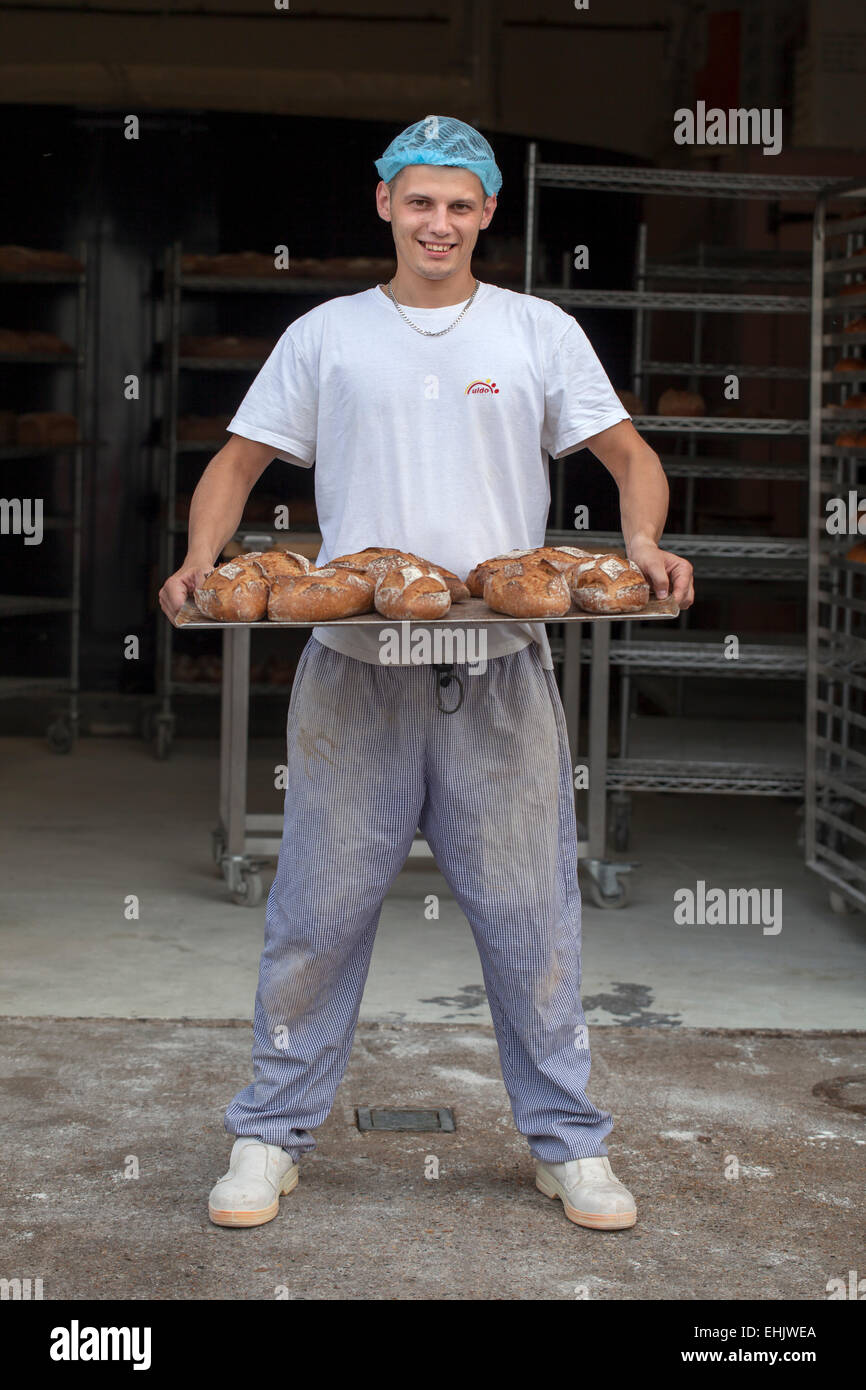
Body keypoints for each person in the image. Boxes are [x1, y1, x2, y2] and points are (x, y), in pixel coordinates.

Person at [159, 115, 694, 1233]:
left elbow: (628, 456)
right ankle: (268, 1133)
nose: (437, 222)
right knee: (314, 912)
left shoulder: (537, 332)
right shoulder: (327, 335)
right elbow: (238, 457)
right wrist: (199, 560)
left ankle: (567, 1147)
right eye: (418, 201)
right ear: (383, 205)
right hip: (355, 669)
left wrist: (642, 543)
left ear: (487, 213)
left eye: (459, 204)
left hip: (496, 672)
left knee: (532, 919)